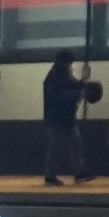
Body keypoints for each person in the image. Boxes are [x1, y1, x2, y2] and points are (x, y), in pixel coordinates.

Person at [41, 51, 94, 185]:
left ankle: (78, 173)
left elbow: (71, 85)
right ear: (65, 63)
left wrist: (83, 85)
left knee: (72, 144)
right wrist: (80, 91)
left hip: (63, 116)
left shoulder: (59, 74)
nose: (71, 66)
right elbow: (58, 96)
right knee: (58, 146)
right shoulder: (55, 76)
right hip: (58, 117)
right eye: (70, 63)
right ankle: (51, 175)